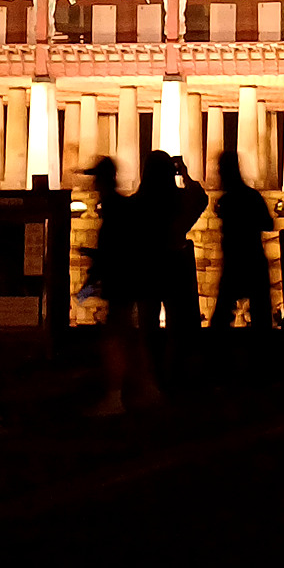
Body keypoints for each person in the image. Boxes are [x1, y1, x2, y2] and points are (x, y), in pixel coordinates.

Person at [82, 156, 163, 416]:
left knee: (115, 339)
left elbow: (113, 249)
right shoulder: (121, 206)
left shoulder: (114, 209)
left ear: (103, 180)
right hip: (129, 280)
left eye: (96, 179)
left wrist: (93, 275)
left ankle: (116, 396)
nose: (93, 184)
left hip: (121, 282)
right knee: (129, 337)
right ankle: (148, 389)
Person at [135, 151, 208, 384]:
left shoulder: (138, 203)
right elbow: (200, 198)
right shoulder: (177, 200)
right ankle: (173, 375)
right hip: (174, 265)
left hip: (147, 267)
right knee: (177, 326)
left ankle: (151, 374)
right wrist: (184, 174)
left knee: (148, 325)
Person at [210, 149, 277, 373]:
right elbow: (268, 223)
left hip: (235, 263)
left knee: (221, 318)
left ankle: (220, 364)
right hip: (254, 260)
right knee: (261, 317)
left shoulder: (226, 201)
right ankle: (262, 365)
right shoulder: (251, 196)